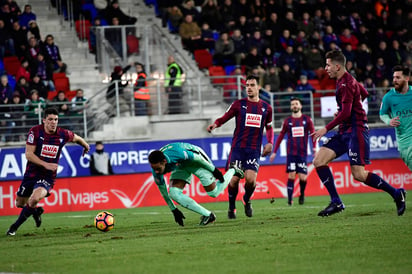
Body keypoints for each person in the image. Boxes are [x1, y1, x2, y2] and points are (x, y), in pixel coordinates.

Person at [311, 50, 406, 217]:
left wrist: (326, 128)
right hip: (345, 130)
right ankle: (336, 202)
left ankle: (397, 194)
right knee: (319, 161)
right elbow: (364, 94)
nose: (325, 68)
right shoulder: (345, 81)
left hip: (356, 130)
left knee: (359, 174)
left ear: (337, 66)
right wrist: (346, 109)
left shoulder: (346, 84)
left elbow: (347, 113)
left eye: (328, 65)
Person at [6, 107, 90, 236]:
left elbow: (76, 137)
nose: (53, 122)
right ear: (44, 120)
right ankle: (36, 212)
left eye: (56, 119)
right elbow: (29, 155)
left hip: (47, 177)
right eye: (50, 119)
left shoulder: (62, 134)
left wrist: (85, 146)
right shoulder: (35, 132)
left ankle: (13, 228)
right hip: (31, 173)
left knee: (34, 199)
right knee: (20, 203)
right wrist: (46, 164)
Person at [207, 75, 274, 219]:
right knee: (234, 180)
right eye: (247, 86)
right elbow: (225, 116)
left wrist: (270, 142)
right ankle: (231, 207)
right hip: (237, 149)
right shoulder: (239, 104)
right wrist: (216, 124)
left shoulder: (266, 108)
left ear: (258, 87)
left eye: (252, 85)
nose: (248, 88)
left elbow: (269, 127)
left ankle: (247, 200)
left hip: (254, 149)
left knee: (251, 180)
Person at [148, 142, 244, 226]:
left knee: (213, 193)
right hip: (181, 165)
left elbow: (197, 158)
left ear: (164, 161)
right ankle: (208, 215)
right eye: (154, 168)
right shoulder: (156, 170)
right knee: (173, 193)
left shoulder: (177, 154)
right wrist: (173, 209)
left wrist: (214, 170)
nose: (156, 172)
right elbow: (163, 191)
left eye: (158, 169)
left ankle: (233, 169)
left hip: (197, 159)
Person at [269, 97, 316, 205]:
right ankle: (290, 200)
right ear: (291, 107)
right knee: (291, 174)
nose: (294, 105)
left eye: (296, 104)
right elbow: (280, 136)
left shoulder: (307, 120)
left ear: (300, 106)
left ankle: (302, 194)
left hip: (302, 153)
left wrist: (314, 148)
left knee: (303, 177)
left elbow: (313, 134)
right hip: (291, 153)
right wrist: (275, 151)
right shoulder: (287, 121)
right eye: (293, 104)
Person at [379, 65, 412, 172]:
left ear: (407, 78)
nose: (394, 80)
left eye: (398, 77)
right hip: (405, 145)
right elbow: (382, 114)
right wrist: (389, 120)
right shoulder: (388, 97)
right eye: (394, 77)